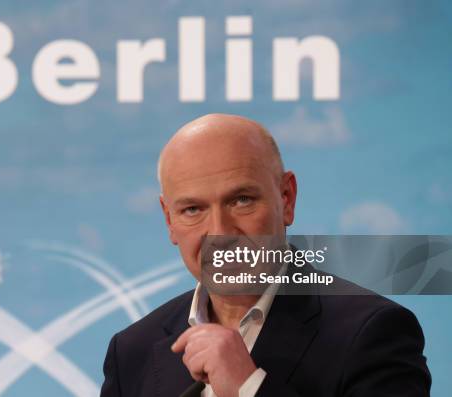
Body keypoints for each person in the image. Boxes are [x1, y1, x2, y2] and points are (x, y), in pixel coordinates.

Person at [100, 114, 431, 397]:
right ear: (169, 220)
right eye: (192, 209)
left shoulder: (373, 332)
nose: (221, 232)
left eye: (241, 200)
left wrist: (249, 388)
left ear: (286, 199)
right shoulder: (132, 352)